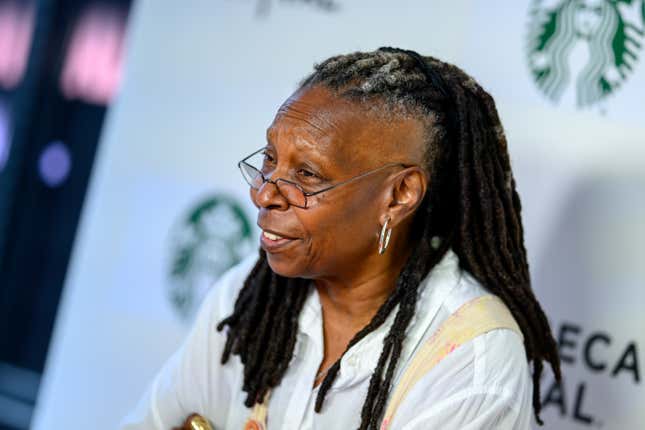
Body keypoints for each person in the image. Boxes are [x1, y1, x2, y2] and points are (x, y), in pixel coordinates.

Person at [121, 47, 562, 430]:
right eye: (271, 160)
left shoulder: (471, 361)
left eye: (306, 175)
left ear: (399, 195)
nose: (264, 193)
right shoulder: (244, 298)